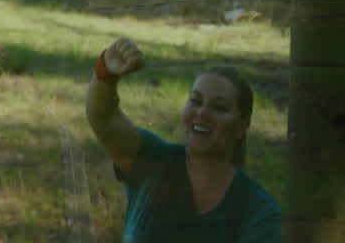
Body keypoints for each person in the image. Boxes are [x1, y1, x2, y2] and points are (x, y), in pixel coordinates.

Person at [86, 37, 282, 242]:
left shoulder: (258, 210)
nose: (202, 113)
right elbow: (104, 117)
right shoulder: (154, 160)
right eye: (195, 101)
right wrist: (105, 73)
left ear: (241, 126)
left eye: (219, 107)